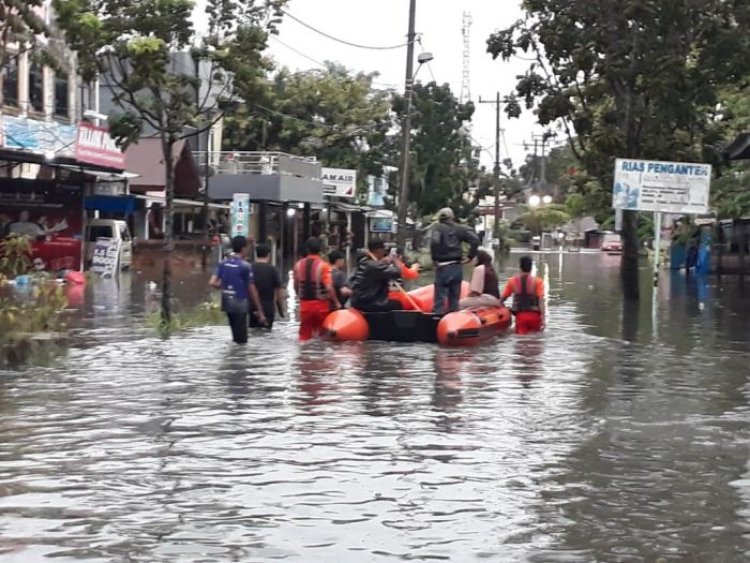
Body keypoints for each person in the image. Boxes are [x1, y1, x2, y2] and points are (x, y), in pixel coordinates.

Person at [209, 235, 266, 344]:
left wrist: (226, 285)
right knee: (242, 342)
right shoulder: (245, 266)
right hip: (240, 304)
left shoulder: (223, 263)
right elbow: (252, 289)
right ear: (243, 248)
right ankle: (238, 360)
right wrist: (260, 311)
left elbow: (212, 282)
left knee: (235, 336)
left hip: (227, 304)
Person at [430, 207, 479, 315]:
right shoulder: (460, 229)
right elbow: (475, 240)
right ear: (452, 217)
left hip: (443, 267)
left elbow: (434, 242)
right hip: (457, 267)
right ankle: (453, 320)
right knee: (454, 298)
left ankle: (437, 319)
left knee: (440, 299)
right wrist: (470, 256)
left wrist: (434, 259)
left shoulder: (437, 228)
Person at [294, 237, 341, 341]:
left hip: (305, 306)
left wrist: (300, 298)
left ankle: (304, 356)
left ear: (307, 249)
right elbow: (329, 287)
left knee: (304, 337)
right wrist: (336, 302)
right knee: (322, 337)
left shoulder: (298, 265)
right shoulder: (323, 265)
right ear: (320, 249)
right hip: (321, 307)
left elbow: (296, 286)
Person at [349, 238, 402, 312]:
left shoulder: (363, 261)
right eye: (383, 250)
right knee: (398, 304)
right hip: (370, 302)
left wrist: (382, 263)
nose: (384, 253)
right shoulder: (375, 265)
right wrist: (396, 260)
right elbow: (397, 272)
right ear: (379, 250)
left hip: (358, 301)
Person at [500, 255, 546, 334]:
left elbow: (502, 299)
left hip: (520, 316)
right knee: (536, 340)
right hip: (535, 316)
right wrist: (543, 317)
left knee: (521, 342)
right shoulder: (538, 281)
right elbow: (541, 300)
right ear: (531, 268)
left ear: (520, 267)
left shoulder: (512, 281)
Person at [250, 242, 285, 329]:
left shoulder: (249, 268)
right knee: (266, 333)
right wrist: (280, 309)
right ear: (268, 255)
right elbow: (279, 291)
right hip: (267, 308)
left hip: (251, 307)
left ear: (256, 254)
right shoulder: (272, 270)